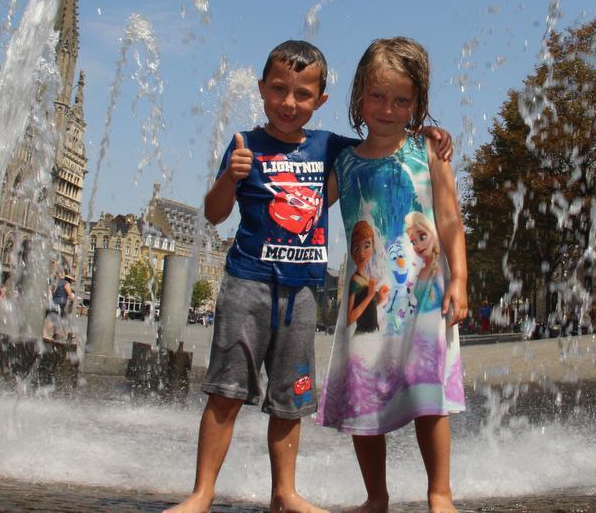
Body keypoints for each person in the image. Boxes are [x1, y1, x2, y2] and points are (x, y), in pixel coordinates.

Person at [165, 40, 452, 513]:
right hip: (246, 283)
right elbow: (215, 215)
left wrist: (428, 133)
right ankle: (202, 493)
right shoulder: (245, 145)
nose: (288, 103)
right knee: (225, 391)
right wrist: (228, 179)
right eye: (278, 89)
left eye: (302, 94)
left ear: (320, 102)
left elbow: (383, 138)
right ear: (261, 89)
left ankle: (285, 493)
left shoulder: (329, 148)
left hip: (301, 293)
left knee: (290, 399)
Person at [318, 37, 468, 513]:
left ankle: (439, 493)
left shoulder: (430, 152)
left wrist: (460, 279)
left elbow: (448, 219)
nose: (387, 108)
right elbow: (305, 207)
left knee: (429, 397)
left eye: (401, 99)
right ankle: (375, 497)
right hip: (368, 301)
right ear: (358, 97)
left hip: (424, 294)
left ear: (418, 105)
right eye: (377, 96)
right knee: (364, 399)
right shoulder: (343, 162)